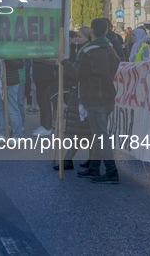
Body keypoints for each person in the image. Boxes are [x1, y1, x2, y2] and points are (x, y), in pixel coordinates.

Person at [56, 18, 121, 184]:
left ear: (92, 31)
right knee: (98, 133)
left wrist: (63, 60)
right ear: (106, 31)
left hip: (94, 98)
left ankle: (111, 171)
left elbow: (77, 75)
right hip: (107, 96)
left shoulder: (89, 52)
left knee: (101, 136)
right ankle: (93, 168)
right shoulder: (110, 49)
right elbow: (115, 66)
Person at [54, 26, 92, 171]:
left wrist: (64, 61)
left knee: (79, 129)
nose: (76, 39)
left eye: (79, 36)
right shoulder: (84, 49)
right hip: (83, 93)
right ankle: (86, 159)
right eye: (76, 36)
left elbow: (75, 74)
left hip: (83, 94)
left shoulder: (86, 51)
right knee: (84, 129)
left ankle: (69, 159)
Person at [0, 59, 25, 143]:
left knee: (12, 111)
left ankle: (17, 136)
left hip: (10, 83)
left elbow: (20, 64)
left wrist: (6, 60)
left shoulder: (11, 47)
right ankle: (2, 133)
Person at [31, 59, 56, 137]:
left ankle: (46, 127)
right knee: (44, 100)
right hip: (43, 73)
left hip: (44, 73)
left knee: (43, 100)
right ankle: (45, 125)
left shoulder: (43, 49)